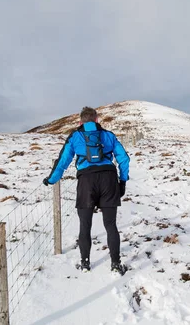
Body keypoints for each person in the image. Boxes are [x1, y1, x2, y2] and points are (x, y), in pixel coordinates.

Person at [43, 106, 130, 274]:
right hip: (108, 180)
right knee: (110, 224)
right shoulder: (108, 135)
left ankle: (85, 263)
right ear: (97, 120)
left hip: (86, 181)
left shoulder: (75, 136)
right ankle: (115, 263)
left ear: (80, 121)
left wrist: (51, 179)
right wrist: (123, 181)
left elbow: (63, 161)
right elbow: (123, 159)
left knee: (85, 225)